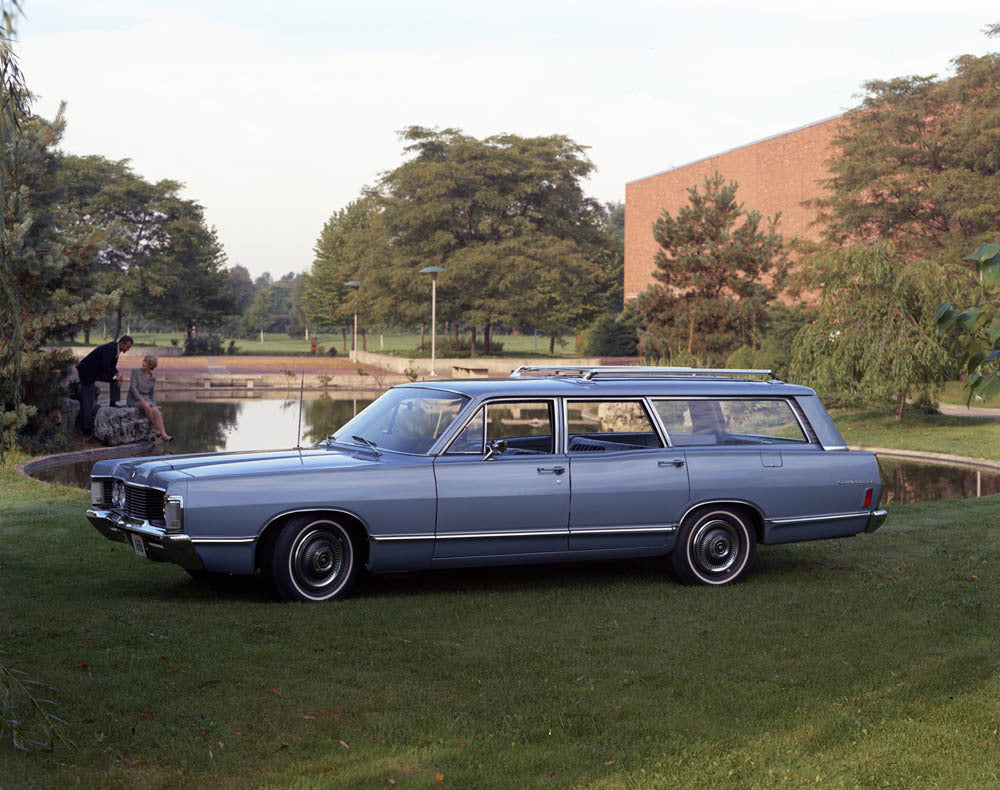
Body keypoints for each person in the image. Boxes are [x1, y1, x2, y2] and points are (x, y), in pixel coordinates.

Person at [76, 335, 133, 435]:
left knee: (115, 379)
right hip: (86, 372)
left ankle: (113, 402)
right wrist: (116, 375)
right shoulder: (110, 348)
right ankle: (86, 428)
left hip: (96, 371)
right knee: (88, 398)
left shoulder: (116, 349)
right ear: (122, 343)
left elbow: (111, 366)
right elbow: (105, 366)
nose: (128, 350)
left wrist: (118, 375)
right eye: (127, 347)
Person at [127, 355, 172, 441]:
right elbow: (133, 388)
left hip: (147, 399)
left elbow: (152, 394)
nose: (143, 363)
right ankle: (157, 428)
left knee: (156, 411)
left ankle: (164, 435)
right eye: (144, 361)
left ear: (150, 366)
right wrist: (141, 400)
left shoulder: (153, 378)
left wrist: (155, 406)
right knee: (146, 406)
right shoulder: (135, 372)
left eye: (146, 362)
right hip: (134, 399)